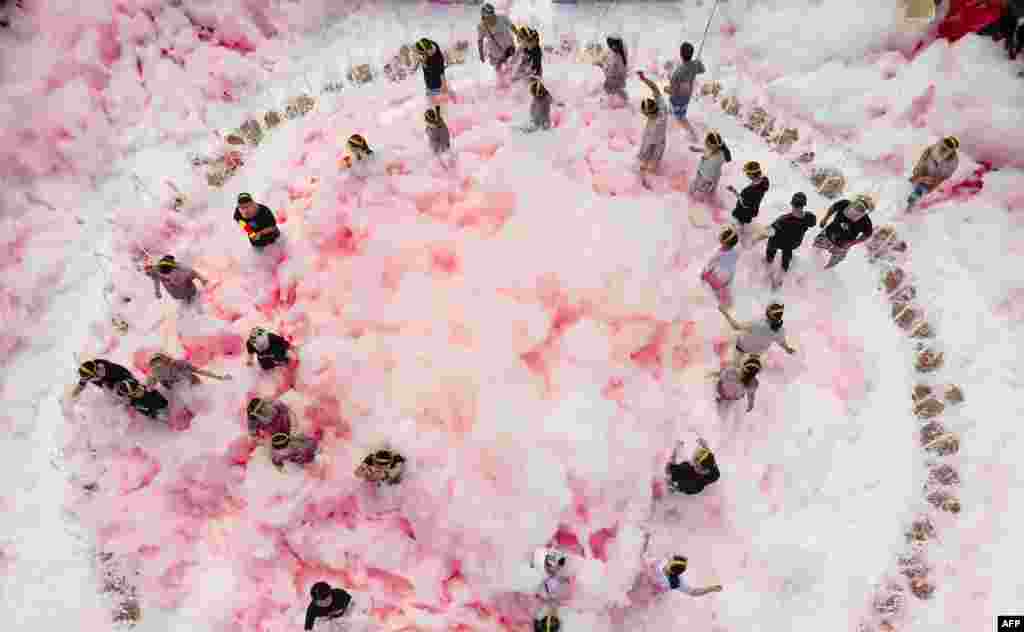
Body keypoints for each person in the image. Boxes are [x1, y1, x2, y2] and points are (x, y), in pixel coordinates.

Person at [755, 192, 817, 286]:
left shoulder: (783, 219)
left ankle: (769, 261)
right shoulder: (810, 217)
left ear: (792, 204)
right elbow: (813, 223)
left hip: (778, 242)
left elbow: (769, 232)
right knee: (786, 255)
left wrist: (756, 239)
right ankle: (781, 276)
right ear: (804, 205)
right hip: (793, 243)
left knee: (771, 245)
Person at [718, 302, 796, 366]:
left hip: (742, 346)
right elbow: (782, 342)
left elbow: (736, 327)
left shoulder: (757, 323)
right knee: (752, 363)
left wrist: (725, 312)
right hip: (757, 352)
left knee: (735, 364)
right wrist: (787, 349)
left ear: (767, 314)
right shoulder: (780, 331)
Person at [813, 193, 875, 269]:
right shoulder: (844, 203)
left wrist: (851, 244)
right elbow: (833, 208)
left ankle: (825, 270)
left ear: (864, 212)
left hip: (844, 243)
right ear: (854, 202)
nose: (857, 210)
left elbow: (867, 235)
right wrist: (825, 218)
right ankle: (813, 257)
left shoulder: (865, 221)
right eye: (857, 206)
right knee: (815, 249)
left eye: (861, 209)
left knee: (832, 263)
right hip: (829, 232)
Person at [666, 42, 705, 142]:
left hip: (677, 99)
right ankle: (671, 123)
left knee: (681, 118)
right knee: (676, 113)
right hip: (687, 97)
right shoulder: (695, 65)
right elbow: (702, 69)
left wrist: (667, 89)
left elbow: (673, 91)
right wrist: (698, 62)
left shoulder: (677, 73)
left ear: (681, 54)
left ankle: (692, 134)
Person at [907, 136, 960, 210]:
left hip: (934, 183)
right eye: (945, 143)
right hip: (923, 174)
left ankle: (911, 206)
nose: (945, 147)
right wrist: (919, 176)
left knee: (919, 193)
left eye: (948, 147)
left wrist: (930, 184)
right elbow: (920, 164)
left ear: (953, 150)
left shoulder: (953, 162)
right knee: (909, 186)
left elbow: (942, 179)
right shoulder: (932, 149)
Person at [726, 161, 770, 243]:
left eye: (747, 173)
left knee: (740, 222)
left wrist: (734, 191)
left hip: (744, 211)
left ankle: (737, 234)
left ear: (751, 175)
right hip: (754, 207)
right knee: (745, 220)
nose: (746, 174)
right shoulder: (765, 181)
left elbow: (743, 203)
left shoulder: (749, 191)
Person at [635, 70, 668, 175]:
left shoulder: (655, 126)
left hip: (655, 144)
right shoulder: (662, 107)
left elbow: (648, 147)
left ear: (649, 114)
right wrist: (644, 79)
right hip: (661, 141)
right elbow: (655, 88)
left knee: (649, 167)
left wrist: (642, 162)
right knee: (653, 164)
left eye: (644, 113)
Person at [642, 555, 723, 598]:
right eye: (669, 560)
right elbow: (644, 556)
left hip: (650, 591)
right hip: (645, 577)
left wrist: (711, 589)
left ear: (672, 571)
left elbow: (693, 592)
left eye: (669, 562)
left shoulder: (675, 582)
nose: (668, 561)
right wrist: (646, 539)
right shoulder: (662, 561)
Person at [700, 226, 740, 309]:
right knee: (723, 286)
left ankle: (719, 296)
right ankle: (724, 294)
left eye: (721, 238)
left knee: (710, 279)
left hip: (719, 275)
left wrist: (704, 273)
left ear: (724, 243)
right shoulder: (735, 252)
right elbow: (733, 262)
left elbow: (710, 264)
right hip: (729, 275)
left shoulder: (718, 253)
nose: (719, 238)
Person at [145, 352, 230, 389]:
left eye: (159, 361)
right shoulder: (155, 374)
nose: (158, 365)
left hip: (193, 384)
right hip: (179, 391)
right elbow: (149, 387)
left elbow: (199, 371)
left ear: (165, 360)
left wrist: (219, 377)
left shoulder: (179, 364)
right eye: (154, 364)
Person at [688, 130, 732, 199]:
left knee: (698, 188)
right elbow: (706, 150)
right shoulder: (720, 151)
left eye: (707, 143)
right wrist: (696, 149)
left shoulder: (716, 158)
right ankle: (711, 193)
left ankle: (695, 198)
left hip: (706, 176)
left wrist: (702, 184)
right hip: (715, 175)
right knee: (711, 188)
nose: (706, 144)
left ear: (713, 146)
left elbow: (708, 153)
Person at [412, 38, 448, 118]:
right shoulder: (429, 44)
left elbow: (441, 72)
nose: (430, 52)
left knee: (435, 101)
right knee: (432, 99)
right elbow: (416, 49)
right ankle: (435, 112)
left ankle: (437, 115)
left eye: (422, 53)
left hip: (435, 82)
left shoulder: (437, 58)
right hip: (429, 79)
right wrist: (417, 64)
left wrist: (444, 85)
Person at [478, 3, 516, 73]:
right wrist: (481, 55)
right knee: (498, 71)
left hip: (509, 48)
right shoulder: (481, 26)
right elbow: (480, 41)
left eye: (491, 16)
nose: (489, 19)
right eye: (486, 17)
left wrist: (519, 36)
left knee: (512, 67)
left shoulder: (502, 18)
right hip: (495, 54)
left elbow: (512, 27)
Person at [72, 359, 136, 399]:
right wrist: (74, 394)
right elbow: (82, 383)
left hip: (123, 380)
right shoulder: (90, 373)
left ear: (94, 374)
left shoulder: (110, 371)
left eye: (88, 378)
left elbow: (125, 376)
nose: (86, 379)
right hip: (110, 384)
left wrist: (122, 392)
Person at [597, 35, 628, 104]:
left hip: (616, 78)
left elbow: (614, 70)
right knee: (612, 90)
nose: (613, 47)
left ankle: (620, 100)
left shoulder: (618, 56)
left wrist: (603, 66)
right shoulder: (615, 53)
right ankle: (620, 99)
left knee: (611, 89)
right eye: (611, 45)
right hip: (615, 78)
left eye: (615, 45)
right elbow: (611, 67)